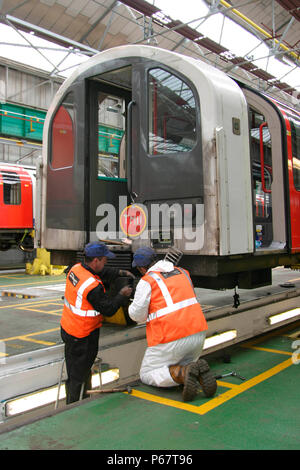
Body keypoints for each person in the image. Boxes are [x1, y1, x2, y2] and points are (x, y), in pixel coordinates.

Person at [128, 247, 217, 402]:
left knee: (147, 373)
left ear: (141, 268)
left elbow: (137, 316)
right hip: (198, 333)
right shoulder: (183, 272)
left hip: (171, 337)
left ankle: (183, 373)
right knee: (183, 361)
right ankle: (193, 372)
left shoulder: (147, 280)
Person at [61, 241, 134, 404]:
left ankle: (80, 398)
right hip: (83, 336)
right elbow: (108, 309)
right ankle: (74, 407)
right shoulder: (92, 287)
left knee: (75, 372)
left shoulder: (75, 269)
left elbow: (102, 271)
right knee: (78, 376)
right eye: (104, 259)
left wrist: (119, 272)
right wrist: (121, 295)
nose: (106, 262)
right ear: (96, 261)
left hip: (69, 328)